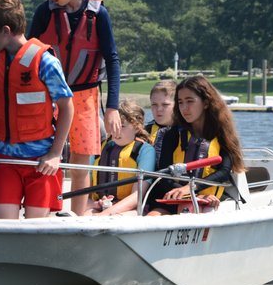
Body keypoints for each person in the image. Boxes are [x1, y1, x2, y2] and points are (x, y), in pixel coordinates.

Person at [27, 0, 122, 215]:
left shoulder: (98, 14)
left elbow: (113, 60)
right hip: (49, 97)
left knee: (82, 163)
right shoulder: (45, 12)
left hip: (86, 96)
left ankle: (78, 218)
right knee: (46, 156)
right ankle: (45, 212)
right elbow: (29, 52)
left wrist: (112, 107)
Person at [0, 0, 74, 220]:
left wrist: (55, 154)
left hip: (41, 162)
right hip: (4, 159)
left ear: (5, 30)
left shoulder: (45, 61)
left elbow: (66, 105)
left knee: (36, 227)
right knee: (4, 225)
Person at [147, 75, 245, 215]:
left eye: (190, 101)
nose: (184, 108)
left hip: (209, 200)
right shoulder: (172, 134)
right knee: (152, 217)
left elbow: (224, 171)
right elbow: (164, 174)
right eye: (180, 102)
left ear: (205, 102)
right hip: (175, 198)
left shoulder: (222, 133)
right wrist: (186, 193)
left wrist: (193, 189)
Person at [85, 99, 156, 216]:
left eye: (121, 126)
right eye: (113, 125)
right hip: (99, 206)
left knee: (121, 217)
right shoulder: (99, 149)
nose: (115, 130)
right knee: (85, 215)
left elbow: (137, 196)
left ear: (137, 127)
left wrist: (106, 214)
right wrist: (96, 205)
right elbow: (84, 196)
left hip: (130, 210)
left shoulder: (145, 151)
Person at [147, 79, 176, 166]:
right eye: (154, 104)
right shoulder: (144, 132)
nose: (159, 109)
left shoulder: (185, 133)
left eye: (165, 105)